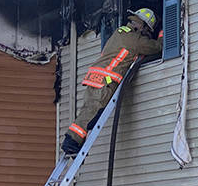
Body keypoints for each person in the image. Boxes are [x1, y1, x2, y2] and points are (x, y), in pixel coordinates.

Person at [61, 8, 162, 156]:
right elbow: (156, 47)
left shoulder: (119, 33)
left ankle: (75, 141)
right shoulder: (134, 39)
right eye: (147, 30)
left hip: (94, 77)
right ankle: (72, 142)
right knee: (93, 112)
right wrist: (161, 34)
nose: (147, 33)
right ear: (142, 26)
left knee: (88, 111)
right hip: (106, 80)